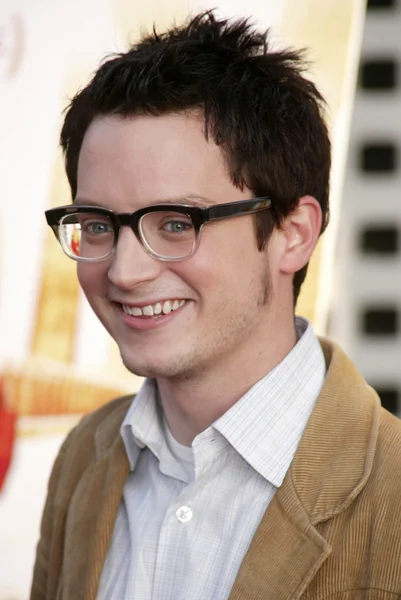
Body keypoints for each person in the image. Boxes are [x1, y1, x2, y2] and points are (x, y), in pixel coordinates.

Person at [31, 11, 401, 600]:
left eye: (176, 223)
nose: (124, 271)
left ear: (294, 232)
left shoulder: (391, 492)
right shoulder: (84, 458)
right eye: (98, 224)